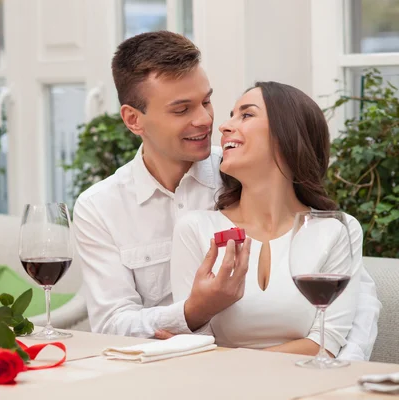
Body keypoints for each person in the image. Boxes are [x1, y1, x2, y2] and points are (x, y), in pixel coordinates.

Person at [72, 31, 381, 360]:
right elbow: (110, 324)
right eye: (182, 109)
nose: (207, 120)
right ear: (134, 120)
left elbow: (358, 298)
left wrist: (339, 365)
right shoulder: (100, 207)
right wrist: (192, 313)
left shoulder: (247, 168)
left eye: (206, 101)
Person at [170, 82, 362, 357]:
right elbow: (195, 346)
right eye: (231, 115)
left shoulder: (335, 231)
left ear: (287, 134)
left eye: (246, 115)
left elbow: (326, 343)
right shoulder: (197, 229)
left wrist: (233, 359)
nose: (224, 126)